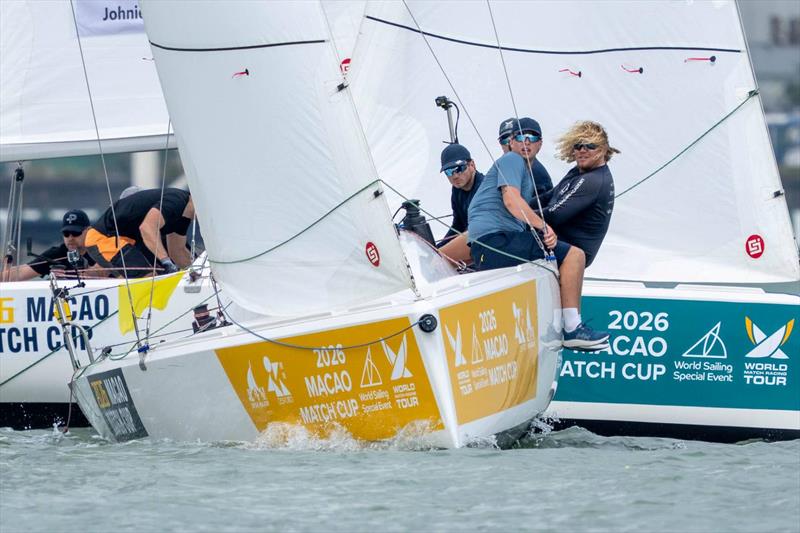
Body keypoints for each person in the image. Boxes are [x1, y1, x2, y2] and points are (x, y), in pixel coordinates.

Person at [467, 117, 608, 350]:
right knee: (574, 256)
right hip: (497, 242)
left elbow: (529, 204)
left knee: (550, 258)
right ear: (510, 143)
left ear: (540, 144)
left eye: (532, 138)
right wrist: (544, 227)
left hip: (487, 247)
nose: (526, 143)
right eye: (520, 137)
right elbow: (512, 201)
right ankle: (572, 328)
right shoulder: (512, 160)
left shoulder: (524, 169)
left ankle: (551, 329)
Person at [538, 121, 618, 267]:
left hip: (571, 253)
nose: (583, 150)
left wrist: (517, 213)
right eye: (578, 145)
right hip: (555, 240)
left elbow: (553, 215)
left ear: (603, 150)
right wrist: (517, 204)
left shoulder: (594, 180)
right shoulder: (578, 171)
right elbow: (548, 197)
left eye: (590, 145)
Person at [85, 188, 194, 278]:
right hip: (104, 238)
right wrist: (166, 262)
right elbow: (147, 228)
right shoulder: (177, 200)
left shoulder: (183, 216)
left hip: (123, 240)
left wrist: (198, 272)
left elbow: (177, 251)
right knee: (148, 277)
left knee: (149, 277)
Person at [1, 209, 101, 281]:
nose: (70, 238)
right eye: (66, 233)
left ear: (88, 231)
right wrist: (5, 274)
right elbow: (20, 273)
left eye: (76, 233)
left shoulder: (101, 252)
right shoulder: (56, 254)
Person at [437, 144, 484, 264]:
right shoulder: (457, 189)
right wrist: (435, 248)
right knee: (435, 255)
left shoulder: (484, 189)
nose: (455, 176)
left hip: (485, 243)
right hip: (471, 241)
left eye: (459, 169)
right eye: (449, 172)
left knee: (437, 261)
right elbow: (457, 225)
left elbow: (475, 231)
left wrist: (440, 254)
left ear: (472, 165)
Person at [497, 117, 553, 202]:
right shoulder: (502, 166)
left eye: (520, 137)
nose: (508, 144)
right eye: (505, 140)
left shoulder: (535, 171)